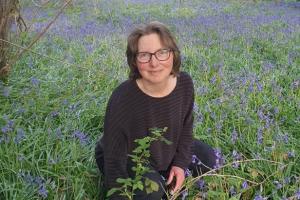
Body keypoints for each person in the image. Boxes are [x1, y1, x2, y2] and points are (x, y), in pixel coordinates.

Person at [95, 21, 217, 200]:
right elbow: (114, 158)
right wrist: (119, 194)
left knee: (208, 159)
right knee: (152, 193)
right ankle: (156, 178)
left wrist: (180, 165)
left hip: (164, 146)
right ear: (135, 61)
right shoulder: (123, 97)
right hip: (130, 154)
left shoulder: (184, 83)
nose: (154, 63)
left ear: (173, 54)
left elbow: (186, 128)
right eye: (144, 55)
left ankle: (164, 171)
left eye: (162, 52)